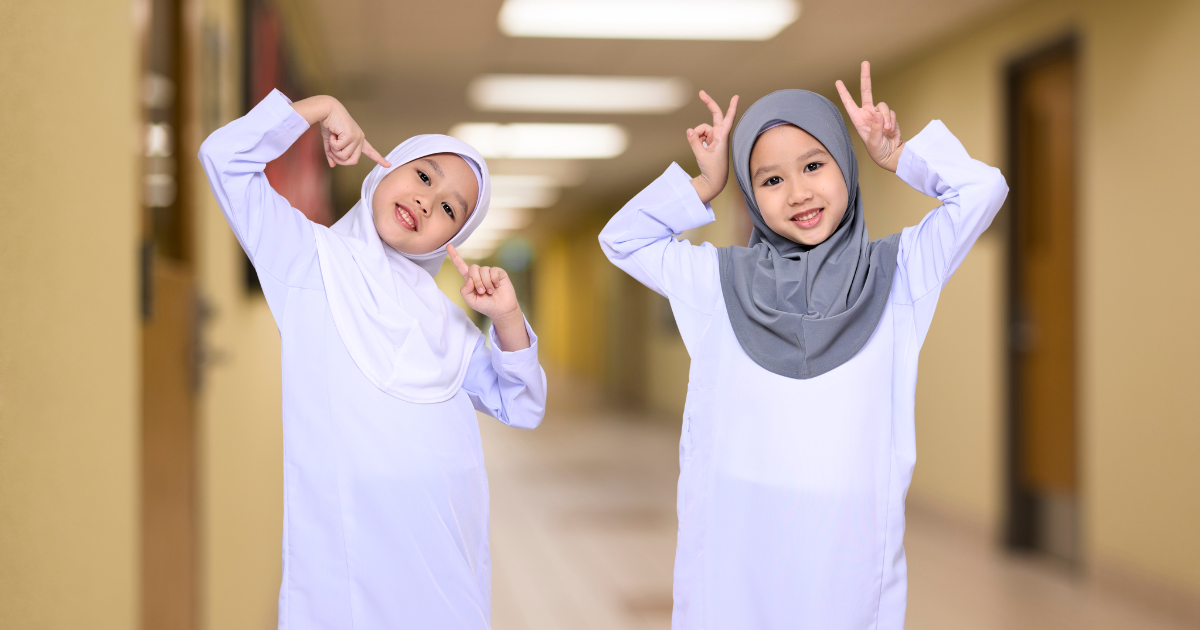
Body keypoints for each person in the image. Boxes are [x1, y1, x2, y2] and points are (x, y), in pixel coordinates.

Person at [598, 62, 1008, 628]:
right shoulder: (717, 282)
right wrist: (705, 184)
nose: (798, 193)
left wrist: (897, 156)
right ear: (750, 197)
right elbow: (622, 239)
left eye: (814, 166)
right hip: (736, 547)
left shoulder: (902, 274)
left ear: (845, 164)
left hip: (848, 551)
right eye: (770, 180)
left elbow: (983, 189)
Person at [199, 88, 546, 629]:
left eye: (450, 210)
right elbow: (224, 158)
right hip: (353, 566)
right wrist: (319, 108)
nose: (428, 202)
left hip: (444, 561)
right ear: (385, 167)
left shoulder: (447, 322)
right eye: (425, 176)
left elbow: (522, 405)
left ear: (450, 242)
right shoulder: (309, 261)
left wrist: (504, 316)